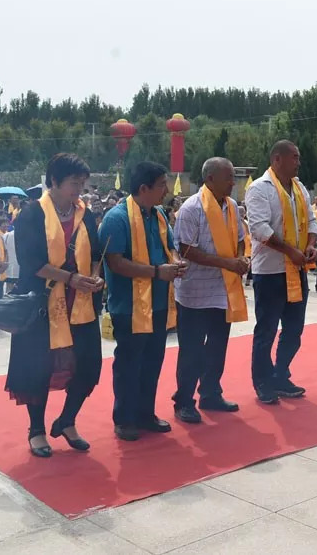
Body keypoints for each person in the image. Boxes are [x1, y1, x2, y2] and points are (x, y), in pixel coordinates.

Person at [6, 153, 105, 457]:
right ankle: (36, 430)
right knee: (39, 368)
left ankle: (67, 420)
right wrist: (71, 278)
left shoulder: (84, 214)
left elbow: (98, 253)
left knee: (89, 367)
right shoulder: (32, 214)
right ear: (54, 181)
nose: (80, 189)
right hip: (42, 305)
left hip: (81, 304)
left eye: (82, 183)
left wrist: (96, 278)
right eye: (74, 183)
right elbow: (32, 263)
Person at [100, 161, 186, 441]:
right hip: (129, 306)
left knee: (152, 361)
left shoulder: (159, 214)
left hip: (158, 303)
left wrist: (176, 262)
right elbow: (114, 263)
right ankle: (124, 418)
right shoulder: (117, 218)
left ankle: (145, 414)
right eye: (161, 184)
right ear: (143, 188)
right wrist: (156, 272)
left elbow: (169, 248)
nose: (165, 190)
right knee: (128, 364)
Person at [171, 157, 250, 425]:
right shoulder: (191, 209)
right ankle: (183, 400)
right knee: (191, 350)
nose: (232, 182)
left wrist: (240, 259)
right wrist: (227, 262)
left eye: (233, 176)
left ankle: (211, 393)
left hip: (222, 290)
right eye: (228, 176)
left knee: (218, 346)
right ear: (209, 180)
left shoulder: (232, 207)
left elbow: (240, 239)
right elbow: (186, 249)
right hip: (194, 293)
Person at [245, 140, 317, 403]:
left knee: (294, 329)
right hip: (271, 273)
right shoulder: (259, 189)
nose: (299, 162)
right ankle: (263, 382)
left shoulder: (299, 188)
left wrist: (310, 246)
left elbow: (311, 222)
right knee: (266, 330)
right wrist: (290, 251)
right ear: (277, 159)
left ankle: (280, 374)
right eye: (295, 157)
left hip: (297, 269)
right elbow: (260, 229)